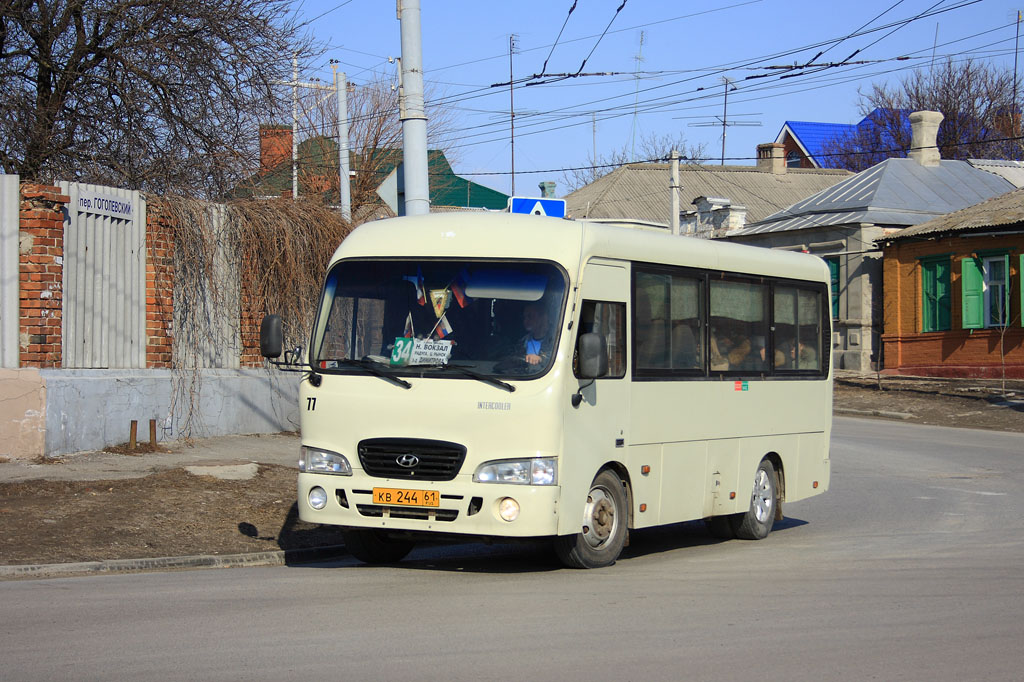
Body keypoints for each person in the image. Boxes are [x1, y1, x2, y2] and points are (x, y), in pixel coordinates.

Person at [521, 301, 553, 365]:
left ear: (542, 318)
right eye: (525, 317)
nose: (526, 320)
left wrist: (541, 359)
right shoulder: (523, 341)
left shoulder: (553, 340)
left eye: (530, 316)